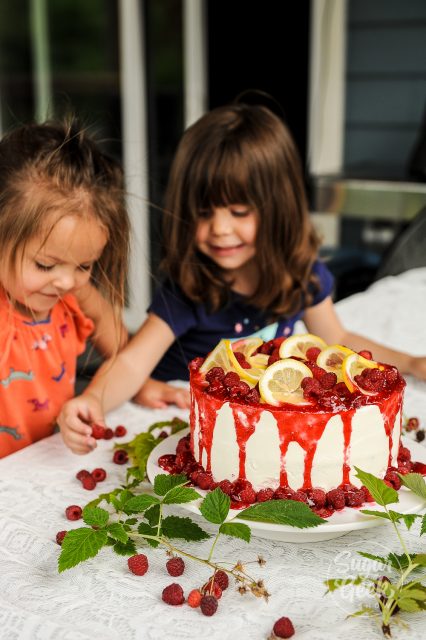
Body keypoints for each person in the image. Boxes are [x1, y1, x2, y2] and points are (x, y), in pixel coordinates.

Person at [58, 102, 426, 454]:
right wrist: (92, 398)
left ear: (278, 210)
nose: (219, 229)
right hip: (178, 414)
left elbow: (340, 339)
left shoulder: (301, 274)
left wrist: (410, 363)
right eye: (204, 213)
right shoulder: (190, 285)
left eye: (238, 211)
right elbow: (132, 362)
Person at [0, 119, 132, 457]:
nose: (66, 281)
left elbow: (117, 339)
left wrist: (100, 396)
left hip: (43, 467)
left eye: (84, 265)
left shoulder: (72, 295)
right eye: (45, 264)